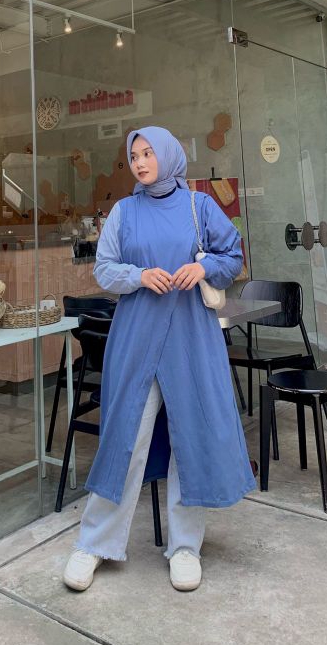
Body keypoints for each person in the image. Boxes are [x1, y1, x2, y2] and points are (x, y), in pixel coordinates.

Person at [62, 126, 255, 593]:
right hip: (137, 334)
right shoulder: (124, 212)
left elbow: (233, 256)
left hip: (191, 335)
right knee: (125, 435)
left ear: (168, 155)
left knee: (192, 434)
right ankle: (94, 542)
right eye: (134, 156)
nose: (141, 162)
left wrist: (203, 266)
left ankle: (185, 546)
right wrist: (139, 275)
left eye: (149, 153)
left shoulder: (199, 206)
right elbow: (104, 269)